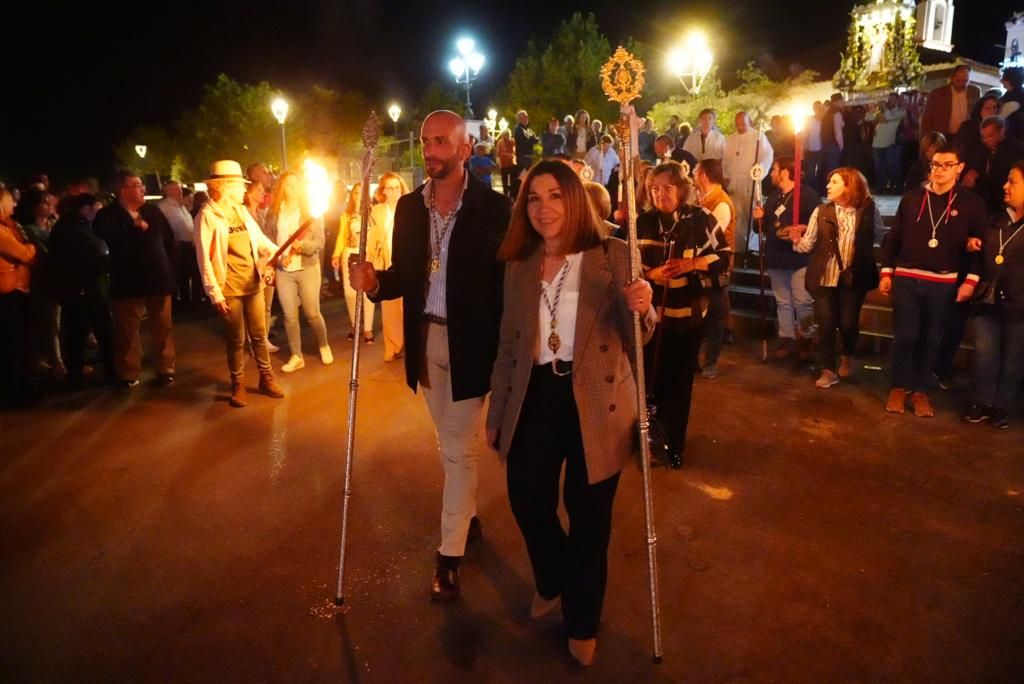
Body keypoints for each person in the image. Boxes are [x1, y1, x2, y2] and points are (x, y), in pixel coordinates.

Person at [485, 160, 654, 667]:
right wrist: (497, 408)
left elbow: (638, 340)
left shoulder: (615, 254)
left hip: (595, 401)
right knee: (526, 499)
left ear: (575, 199)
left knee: (590, 521)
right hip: (534, 394)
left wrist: (643, 306)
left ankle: (582, 620)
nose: (544, 208)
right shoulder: (519, 263)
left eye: (555, 196)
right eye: (534, 199)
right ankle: (553, 577)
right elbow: (509, 346)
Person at [349, 110, 510, 605]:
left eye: (441, 142)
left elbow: (504, 288)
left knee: (459, 449)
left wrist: (505, 361)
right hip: (425, 343)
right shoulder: (407, 209)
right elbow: (404, 274)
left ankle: (449, 556)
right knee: (449, 446)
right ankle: (466, 517)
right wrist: (376, 283)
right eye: (425, 142)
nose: (431, 150)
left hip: (470, 348)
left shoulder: (493, 208)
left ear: (465, 149)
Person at [879, 143, 986, 416]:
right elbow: (893, 239)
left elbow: (978, 246)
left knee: (931, 338)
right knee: (905, 335)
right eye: (935, 164)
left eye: (946, 165)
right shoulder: (913, 198)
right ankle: (898, 387)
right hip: (907, 276)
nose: (939, 170)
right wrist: (887, 271)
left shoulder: (971, 204)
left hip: (944, 280)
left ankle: (921, 391)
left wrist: (970, 281)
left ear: (959, 168)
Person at [638, 161, 731, 465]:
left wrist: (691, 264)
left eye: (667, 187)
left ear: (681, 189)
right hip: (651, 320)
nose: (660, 193)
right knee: (651, 382)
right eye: (654, 188)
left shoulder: (700, 219)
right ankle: (649, 442)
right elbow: (627, 264)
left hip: (688, 318)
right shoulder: (643, 223)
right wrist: (652, 274)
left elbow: (723, 256)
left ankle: (671, 445)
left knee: (678, 385)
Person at [790, 167, 883, 388]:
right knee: (826, 323)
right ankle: (828, 369)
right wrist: (796, 240)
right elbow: (808, 244)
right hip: (825, 277)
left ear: (849, 186)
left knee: (849, 323)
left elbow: (879, 236)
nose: (828, 186)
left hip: (853, 277)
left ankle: (847, 354)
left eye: (834, 182)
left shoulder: (868, 211)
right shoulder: (821, 211)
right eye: (829, 182)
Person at [93, 171, 178, 391]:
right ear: (124, 190)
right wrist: (132, 226)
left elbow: (168, 238)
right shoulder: (109, 215)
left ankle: (165, 368)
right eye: (138, 185)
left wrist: (169, 265)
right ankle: (128, 372)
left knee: (162, 327)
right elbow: (103, 233)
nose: (143, 189)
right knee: (128, 330)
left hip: (158, 278)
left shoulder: (152, 211)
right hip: (128, 282)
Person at [963, 162, 1024, 428]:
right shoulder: (996, 220)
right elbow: (984, 252)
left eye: (1013, 182)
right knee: (985, 354)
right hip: (988, 301)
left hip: (1019, 304)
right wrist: (973, 245)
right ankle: (983, 401)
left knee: (1013, 358)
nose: (1005, 186)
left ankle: (1002, 406)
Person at [754, 156, 821, 360]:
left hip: (798, 258)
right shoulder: (774, 197)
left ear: (784, 172)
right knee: (783, 301)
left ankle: (807, 337)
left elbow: (818, 222)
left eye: (774, 169)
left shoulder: (807, 195)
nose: (771, 173)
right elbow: (763, 227)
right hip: (776, 256)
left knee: (802, 301)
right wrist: (759, 218)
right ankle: (787, 336)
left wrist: (802, 229)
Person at [48, 193, 115, 386]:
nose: (99, 213)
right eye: (97, 209)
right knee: (84, 333)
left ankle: (84, 373)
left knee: (86, 333)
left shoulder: (80, 226)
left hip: (85, 290)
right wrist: (105, 260)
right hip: (83, 291)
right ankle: (80, 375)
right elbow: (88, 257)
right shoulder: (73, 229)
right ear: (86, 209)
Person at [694, 159, 736, 379]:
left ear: (703, 175)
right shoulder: (702, 199)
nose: (693, 175)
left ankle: (711, 361)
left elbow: (711, 236)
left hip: (717, 266)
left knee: (715, 314)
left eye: (695, 171)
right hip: (699, 263)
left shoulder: (720, 202)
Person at [0, 187, 38, 407]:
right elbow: (24, 253)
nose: (14, 205)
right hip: (7, 292)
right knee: (12, 345)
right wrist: (31, 248)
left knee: (18, 344)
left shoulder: (9, 227)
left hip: (15, 290)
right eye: (10, 201)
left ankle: (20, 388)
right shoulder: (2, 232)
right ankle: (15, 393)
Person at [331, 182, 380, 344]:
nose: (359, 195)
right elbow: (341, 236)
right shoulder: (346, 215)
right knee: (350, 293)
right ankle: (355, 324)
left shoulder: (373, 213)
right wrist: (336, 254)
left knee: (368, 292)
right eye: (356, 193)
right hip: (351, 254)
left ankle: (368, 328)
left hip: (368, 255)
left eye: (362, 193)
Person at [370, 172, 408, 361]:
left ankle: (410, 342)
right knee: (390, 307)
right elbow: (372, 237)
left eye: (396, 187)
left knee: (408, 306)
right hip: (386, 261)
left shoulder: (410, 209)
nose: (393, 191)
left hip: (407, 261)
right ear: (382, 190)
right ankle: (392, 345)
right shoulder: (377, 211)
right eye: (389, 188)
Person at [723, 111, 773, 255]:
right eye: (737, 124)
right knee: (736, 214)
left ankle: (752, 246)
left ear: (749, 122)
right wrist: (726, 175)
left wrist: (759, 170)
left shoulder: (758, 137)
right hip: (734, 180)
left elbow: (767, 156)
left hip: (750, 180)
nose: (740, 127)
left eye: (743, 124)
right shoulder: (730, 139)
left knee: (751, 213)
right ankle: (737, 244)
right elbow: (725, 160)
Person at [964, 117, 1024, 216]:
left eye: (990, 136)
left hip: (1003, 204)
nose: (985, 140)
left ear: (1002, 131)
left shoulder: (1017, 151)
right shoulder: (981, 150)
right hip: (981, 202)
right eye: (983, 136)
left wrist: (978, 182)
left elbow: (1002, 179)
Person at [157, 181, 202, 307]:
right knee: (179, 274)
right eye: (177, 189)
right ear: (168, 191)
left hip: (189, 245)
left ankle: (187, 300)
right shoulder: (163, 207)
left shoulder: (180, 206)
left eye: (180, 189)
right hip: (177, 246)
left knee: (187, 273)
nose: (180, 191)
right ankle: (180, 303)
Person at [921, 65, 982, 140]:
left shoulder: (974, 92)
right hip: (944, 136)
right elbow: (926, 120)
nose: (961, 84)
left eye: (965, 81)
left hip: (966, 137)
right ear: (952, 78)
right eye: (958, 80)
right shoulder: (938, 94)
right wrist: (926, 140)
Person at [867, 94, 907, 194]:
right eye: (889, 99)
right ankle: (881, 188)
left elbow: (888, 118)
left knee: (893, 166)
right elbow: (868, 118)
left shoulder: (901, 112)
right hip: (877, 143)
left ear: (897, 101)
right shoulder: (880, 111)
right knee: (879, 167)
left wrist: (884, 111)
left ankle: (897, 188)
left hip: (890, 142)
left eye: (892, 100)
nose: (889, 102)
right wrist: (872, 109)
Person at [820, 94, 846, 187]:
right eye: (842, 101)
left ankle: (824, 188)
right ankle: (831, 187)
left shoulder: (827, 114)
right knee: (833, 168)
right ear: (836, 102)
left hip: (825, 144)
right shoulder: (836, 113)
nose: (843, 103)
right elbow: (837, 131)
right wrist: (840, 145)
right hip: (833, 145)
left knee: (827, 167)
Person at [514, 110, 539, 196]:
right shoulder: (518, 129)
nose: (525, 118)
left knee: (528, 178)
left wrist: (535, 140)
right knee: (522, 179)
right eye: (523, 117)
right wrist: (534, 140)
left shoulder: (528, 129)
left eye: (526, 116)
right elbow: (528, 141)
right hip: (523, 158)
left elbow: (535, 139)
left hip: (529, 158)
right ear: (519, 119)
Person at [496, 129, 517, 198]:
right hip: (503, 164)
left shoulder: (513, 141)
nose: (506, 136)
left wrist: (511, 155)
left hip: (512, 163)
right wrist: (507, 155)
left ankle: (511, 195)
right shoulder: (500, 142)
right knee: (504, 181)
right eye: (505, 135)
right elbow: (498, 153)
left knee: (512, 181)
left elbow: (515, 152)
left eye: (508, 134)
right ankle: (505, 195)